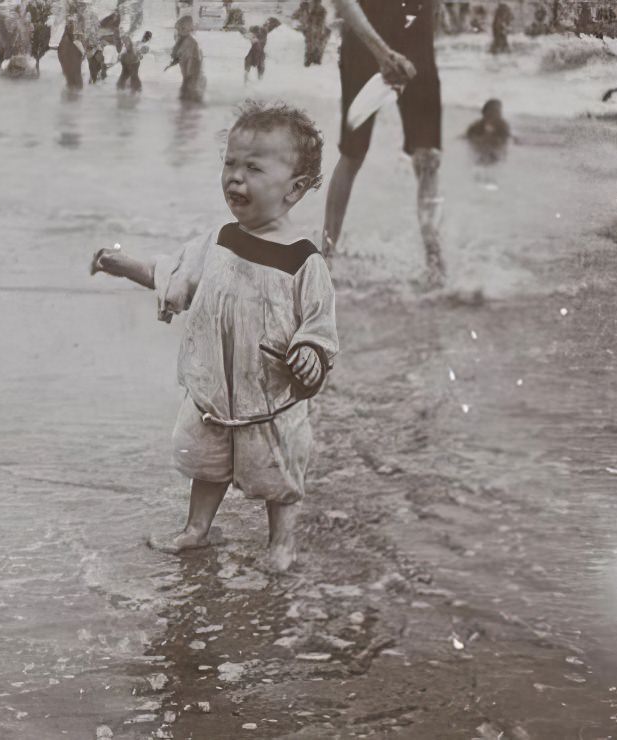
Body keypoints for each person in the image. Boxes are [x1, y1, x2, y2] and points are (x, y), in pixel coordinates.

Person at [90, 101, 338, 573]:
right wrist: (123, 265)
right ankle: (197, 529)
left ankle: (280, 544)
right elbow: (177, 279)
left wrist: (311, 351)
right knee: (207, 463)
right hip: (214, 388)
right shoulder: (220, 239)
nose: (235, 178)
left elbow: (320, 323)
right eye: (229, 164)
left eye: (253, 168)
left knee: (278, 471)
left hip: (269, 393)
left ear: (296, 188)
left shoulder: (304, 260)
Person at [323, 0, 445, 287]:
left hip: (417, 43)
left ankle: (435, 262)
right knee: (353, 153)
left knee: (428, 156)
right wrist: (382, 52)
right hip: (365, 44)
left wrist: (424, 41)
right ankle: (324, 257)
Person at [167, 15, 205, 103]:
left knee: (189, 92)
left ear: (188, 29)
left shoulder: (191, 43)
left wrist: (189, 75)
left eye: (181, 29)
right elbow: (178, 55)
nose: (178, 32)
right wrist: (172, 63)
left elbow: (194, 61)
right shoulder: (181, 40)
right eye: (178, 29)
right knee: (186, 93)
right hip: (187, 74)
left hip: (191, 74)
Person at [465, 98, 510, 165]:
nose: (496, 115)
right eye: (492, 112)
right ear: (484, 113)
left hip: (495, 149)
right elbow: (468, 137)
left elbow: (506, 138)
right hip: (481, 148)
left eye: (498, 112)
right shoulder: (475, 126)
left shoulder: (503, 126)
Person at [243, 17, 280, 82]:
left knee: (260, 65)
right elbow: (249, 35)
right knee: (249, 62)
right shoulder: (259, 31)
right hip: (255, 51)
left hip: (260, 52)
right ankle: (247, 79)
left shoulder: (265, 32)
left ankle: (259, 80)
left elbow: (262, 40)